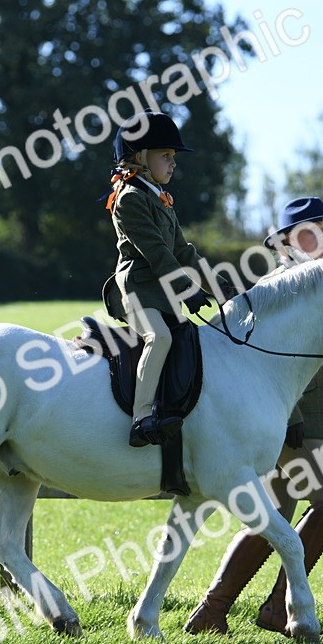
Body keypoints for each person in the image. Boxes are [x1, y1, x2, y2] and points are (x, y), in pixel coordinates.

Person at [184, 196, 323, 636]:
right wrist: (292, 416)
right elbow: (261, 364)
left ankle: (212, 611)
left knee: (273, 512)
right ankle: (280, 606)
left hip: (309, 417)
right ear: (284, 242)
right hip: (289, 422)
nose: (322, 238)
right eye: (310, 230)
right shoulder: (282, 286)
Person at [102, 110, 216, 448]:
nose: (173, 163)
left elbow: (184, 251)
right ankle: (141, 417)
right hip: (136, 291)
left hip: (162, 293)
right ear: (140, 158)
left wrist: (220, 287)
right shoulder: (130, 198)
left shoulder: (161, 199)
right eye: (165, 156)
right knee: (161, 338)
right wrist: (187, 289)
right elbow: (157, 254)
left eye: (172, 157)